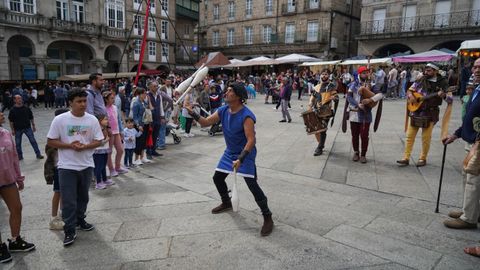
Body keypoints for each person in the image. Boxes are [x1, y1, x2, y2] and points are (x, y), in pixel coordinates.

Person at [185, 84, 274, 236]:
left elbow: (251, 140)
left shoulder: (246, 116)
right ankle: (226, 202)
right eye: (227, 90)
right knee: (217, 178)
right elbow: (206, 122)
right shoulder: (223, 110)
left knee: (252, 185)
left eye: (230, 90)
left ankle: (267, 216)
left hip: (245, 153)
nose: (226, 92)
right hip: (230, 152)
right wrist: (192, 112)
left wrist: (241, 158)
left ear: (239, 96)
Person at [46, 88, 104, 246]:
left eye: (84, 101)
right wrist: (69, 145)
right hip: (66, 167)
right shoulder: (60, 120)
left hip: (86, 165)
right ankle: (69, 230)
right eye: (79, 101)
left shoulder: (91, 120)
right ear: (70, 102)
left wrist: (85, 146)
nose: (83, 104)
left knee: (83, 197)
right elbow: (51, 141)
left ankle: (80, 220)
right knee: (69, 200)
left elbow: (99, 140)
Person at [442, 58, 480, 230]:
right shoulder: (476, 89)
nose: (477, 70)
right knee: (468, 177)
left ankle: (469, 218)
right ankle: (470, 210)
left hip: (477, 144)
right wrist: (456, 134)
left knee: (473, 180)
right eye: (475, 67)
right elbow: (469, 118)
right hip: (470, 141)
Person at [397, 63, 451, 167]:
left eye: (429, 70)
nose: (426, 72)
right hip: (416, 111)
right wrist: (410, 95)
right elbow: (410, 90)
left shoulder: (443, 83)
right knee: (409, 136)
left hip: (430, 112)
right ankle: (406, 157)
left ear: (436, 71)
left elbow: (450, 99)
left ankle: (423, 158)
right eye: (426, 70)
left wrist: (443, 95)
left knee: (426, 137)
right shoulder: (421, 79)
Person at [0, 111, 36, 264]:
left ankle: (15, 240)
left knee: (16, 207)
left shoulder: (6, 133)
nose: (2, 114)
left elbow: (14, 156)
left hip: (7, 180)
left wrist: (19, 177)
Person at [347, 66, 383, 163]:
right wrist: (357, 104)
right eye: (364, 73)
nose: (366, 74)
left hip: (366, 114)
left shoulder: (372, 84)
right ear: (359, 74)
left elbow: (380, 95)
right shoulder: (353, 84)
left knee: (364, 135)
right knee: (354, 135)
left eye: (367, 73)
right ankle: (356, 152)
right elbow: (349, 97)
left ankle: (363, 154)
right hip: (354, 114)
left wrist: (370, 99)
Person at [44, 108, 69, 231]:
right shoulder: (54, 134)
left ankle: (63, 213)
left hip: (67, 166)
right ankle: (54, 217)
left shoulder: (67, 131)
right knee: (58, 192)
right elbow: (49, 150)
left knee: (65, 193)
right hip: (58, 167)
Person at [308, 69, 338, 156]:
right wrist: (310, 103)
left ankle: (320, 147)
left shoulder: (331, 86)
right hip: (316, 110)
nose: (324, 76)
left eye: (326, 74)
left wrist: (334, 98)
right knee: (316, 129)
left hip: (326, 112)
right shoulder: (317, 86)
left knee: (322, 129)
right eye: (322, 74)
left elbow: (335, 97)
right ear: (320, 75)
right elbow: (313, 97)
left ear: (329, 76)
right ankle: (321, 143)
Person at [8, 95, 44, 160]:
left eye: (20, 98)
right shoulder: (12, 110)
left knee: (33, 141)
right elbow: (11, 121)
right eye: (18, 98)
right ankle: (20, 156)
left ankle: (38, 154)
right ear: (14, 100)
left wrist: (33, 125)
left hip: (27, 128)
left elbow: (31, 117)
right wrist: (12, 130)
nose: (20, 100)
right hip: (17, 129)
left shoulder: (26, 108)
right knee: (18, 144)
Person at [103, 91, 128, 177]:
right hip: (109, 133)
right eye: (111, 98)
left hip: (116, 131)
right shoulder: (103, 109)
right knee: (109, 152)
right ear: (106, 100)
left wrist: (121, 131)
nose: (113, 100)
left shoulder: (115, 107)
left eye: (113, 98)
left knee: (120, 150)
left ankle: (118, 167)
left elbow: (119, 120)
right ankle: (111, 169)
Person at [93, 114, 115, 190]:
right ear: (99, 121)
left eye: (107, 119)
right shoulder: (97, 130)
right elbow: (98, 142)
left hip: (104, 150)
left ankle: (105, 179)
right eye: (105, 119)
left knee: (103, 166)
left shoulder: (105, 128)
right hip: (98, 151)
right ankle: (98, 182)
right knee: (98, 167)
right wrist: (106, 140)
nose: (107, 121)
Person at [132, 88, 152, 165]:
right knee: (139, 142)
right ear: (139, 94)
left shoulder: (144, 102)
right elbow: (135, 116)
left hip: (146, 124)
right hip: (140, 125)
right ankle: (136, 158)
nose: (145, 95)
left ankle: (142, 157)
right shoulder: (136, 103)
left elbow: (150, 109)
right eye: (144, 93)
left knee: (144, 141)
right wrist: (138, 125)